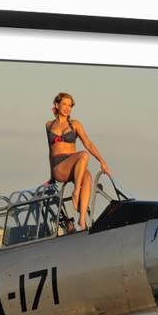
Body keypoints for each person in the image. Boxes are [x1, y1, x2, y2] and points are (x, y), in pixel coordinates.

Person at [46, 92, 111, 231]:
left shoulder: (75, 124)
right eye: (64, 104)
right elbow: (50, 151)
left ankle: (82, 221)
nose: (67, 108)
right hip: (59, 166)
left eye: (70, 105)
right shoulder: (49, 125)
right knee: (83, 155)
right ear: (57, 105)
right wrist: (52, 178)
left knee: (87, 176)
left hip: (74, 165)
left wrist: (102, 161)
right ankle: (76, 193)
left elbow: (88, 143)